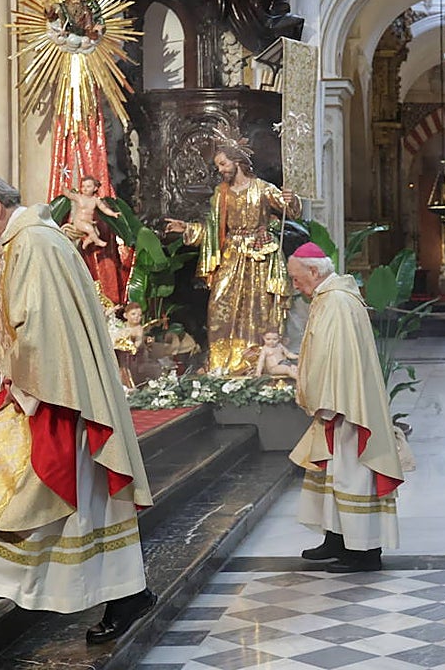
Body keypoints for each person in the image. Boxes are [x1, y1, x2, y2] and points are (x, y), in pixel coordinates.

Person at [0, 174, 155, 644]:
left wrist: (21, 388)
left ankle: (126, 594)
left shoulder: (34, 245)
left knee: (38, 483)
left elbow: (41, 330)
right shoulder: (31, 240)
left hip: (58, 394)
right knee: (57, 495)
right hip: (57, 387)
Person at [286, 242, 404, 573]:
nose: (296, 286)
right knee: (335, 474)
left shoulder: (336, 300)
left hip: (347, 406)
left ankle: (364, 553)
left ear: (313, 271)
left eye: (297, 278)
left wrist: (329, 401)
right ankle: (336, 538)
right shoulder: (330, 297)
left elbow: (339, 359)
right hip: (337, 401)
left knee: (352, 474)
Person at [165, 135, 299, 375]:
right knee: (219, 305)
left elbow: (290, 209)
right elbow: (214, 230)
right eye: (218, 165)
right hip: (232, 255)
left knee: (257, 308)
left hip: (259, 255)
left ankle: (255, 361)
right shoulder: (222, 193)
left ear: (237, 161)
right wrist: (187, 228)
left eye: (223, 164)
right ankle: (223, 362)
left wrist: (292, 199)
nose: (220, 170)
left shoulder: (262, 189)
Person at [65, 176, 121, 250]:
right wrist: (63, 187)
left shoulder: (95, 200)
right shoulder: (79, 197)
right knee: (91, 230)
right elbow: (69, 195)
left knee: (97, 233)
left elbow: (104, 209)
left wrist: (113, 214)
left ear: (95, 188)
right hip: (79, 221)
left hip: (89, 222)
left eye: (88, 186)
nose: (85, 189)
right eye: (83, 186)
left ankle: (86, 242)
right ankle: (97, 242)